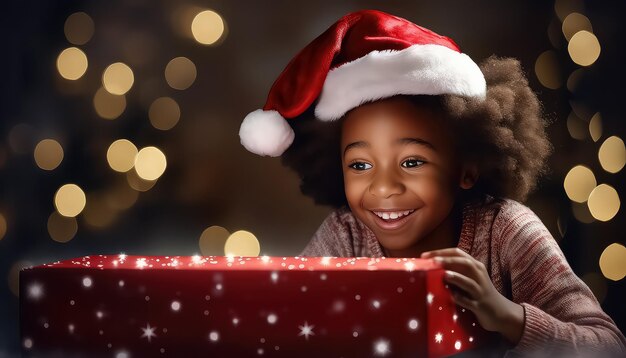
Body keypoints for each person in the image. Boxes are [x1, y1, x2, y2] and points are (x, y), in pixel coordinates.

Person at [238, 9, 626, 357]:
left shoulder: (506, 231)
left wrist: (508, 317)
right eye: (359, 164)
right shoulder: (347, 234)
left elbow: (607, 346)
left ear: (466, 167)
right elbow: (286, 321)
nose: (384, 187)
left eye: (411, 162)